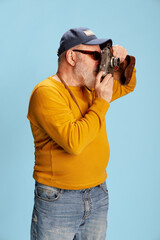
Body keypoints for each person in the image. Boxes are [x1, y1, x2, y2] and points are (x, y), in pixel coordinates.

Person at [27, 27, 136, 240]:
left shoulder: (91, 88)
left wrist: (123, 60)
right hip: (58, 199)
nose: (100, 61)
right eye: (96, 55)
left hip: (97, 193)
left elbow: (127, 85)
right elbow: (74, 142)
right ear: (71, 57)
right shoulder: (46, 92)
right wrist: (102, 102)